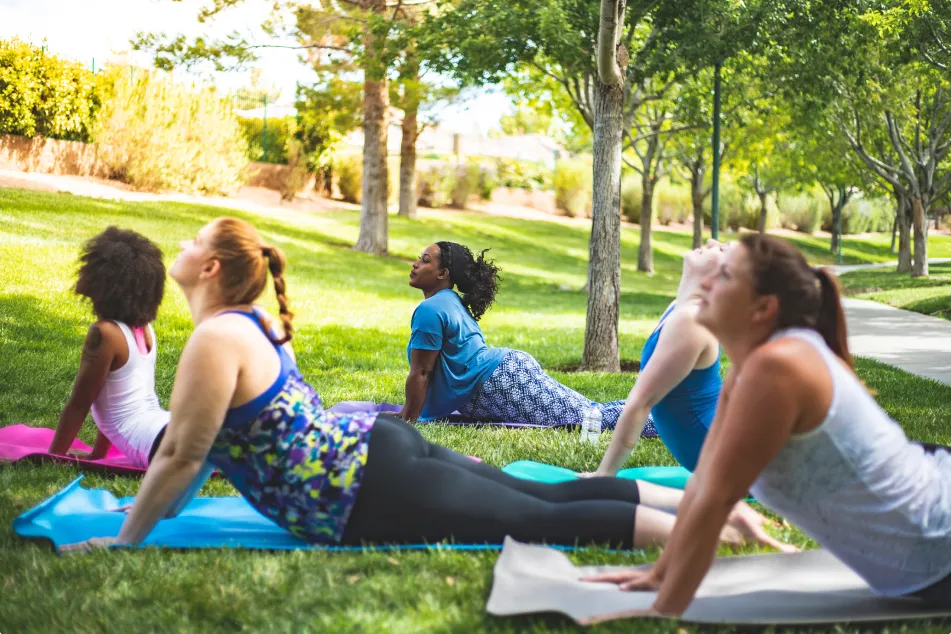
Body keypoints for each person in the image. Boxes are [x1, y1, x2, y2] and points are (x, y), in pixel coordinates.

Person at [60, 218, 789, 553]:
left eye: (191, 244)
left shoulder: (217, 337)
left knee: (541, 519)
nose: (179, 251)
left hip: (364, 483)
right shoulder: (246, 325)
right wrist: (148, 521)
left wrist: (128, 539)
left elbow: (185, 456)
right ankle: (714, 510)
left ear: (212, 269)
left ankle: (720, 527)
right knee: (545, 498)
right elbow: (196, 455)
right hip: (378, 454)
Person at [584, 233, 951, 612]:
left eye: (725, 276)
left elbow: (718, 499)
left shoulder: (778, 366)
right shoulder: (750, 367)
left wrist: (663, 611)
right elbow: (704, 483)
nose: (706, 282)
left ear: (763, 309)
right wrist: (659, 576)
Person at [401, 241, 656, 436]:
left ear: (443, 273)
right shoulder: (449, 302)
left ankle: (667, 423)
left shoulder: (431, 309)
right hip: (501, 375)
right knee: (589, 411)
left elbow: (422, 373)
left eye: (424, 261)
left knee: (589, 419)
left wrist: (406, 422)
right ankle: (658, 411)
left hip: (499, 382)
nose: (414, 264)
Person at [586, 240, 725, 475]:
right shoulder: (679, 308)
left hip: (731, 465)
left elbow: (640, 404)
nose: (711, 241)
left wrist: (603, 476)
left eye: (722, 249)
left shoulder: (692, 321)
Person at [48, 227, 171, 469]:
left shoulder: (105, 333)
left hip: (159, 442)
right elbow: (116, 401)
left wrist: (53, 456)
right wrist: (97, 454)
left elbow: (79, 403)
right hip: (165, 427)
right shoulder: (144, 329)